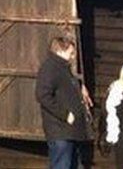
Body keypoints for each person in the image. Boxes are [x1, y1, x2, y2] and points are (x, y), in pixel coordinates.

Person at [36, 36, 90, 169]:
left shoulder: (63, 69)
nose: (73, 57)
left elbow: (64, 90)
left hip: (69, 132)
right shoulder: (50, 68)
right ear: (60, 50)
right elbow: (43, 95)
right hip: (60, 131)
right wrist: (65, 114)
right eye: (71, 53)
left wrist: (79, 86)